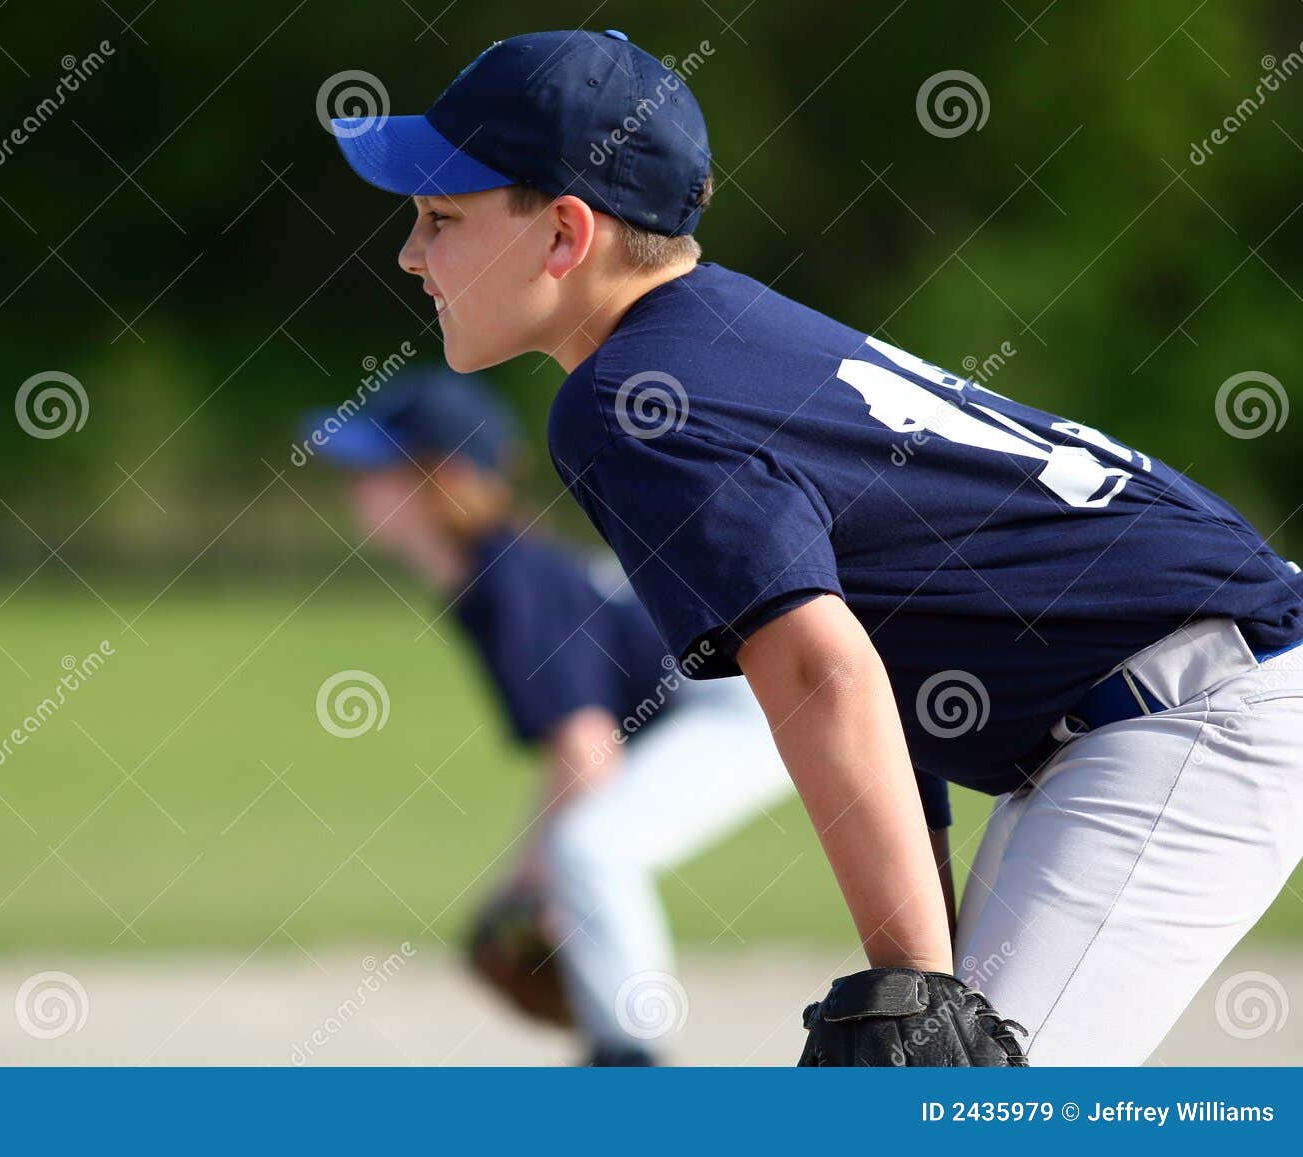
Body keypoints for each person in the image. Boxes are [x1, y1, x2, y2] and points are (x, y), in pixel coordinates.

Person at [328, 29, 1303, 1065]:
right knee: (934, 1083)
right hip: (1160, 703)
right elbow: (881, 670)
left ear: (565, 235)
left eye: (442, 218)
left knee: (960, 1112)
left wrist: (916, 987)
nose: (410, 253)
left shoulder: (628, 401)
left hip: (1191, 707)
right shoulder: (718, 337)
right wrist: (920, 977)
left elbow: (817, 667)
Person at [301, 370, 948, 1064]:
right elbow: (584, 748)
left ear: (442, 479)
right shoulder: (498, 570)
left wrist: (524, 881)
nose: (354, 483)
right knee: (583, 848)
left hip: (745, 706)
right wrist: (535, 876)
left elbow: (586, 749)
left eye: (379, 466)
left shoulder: (507, 578)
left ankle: (630, 1061)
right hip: (718, 702)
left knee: (590, 849)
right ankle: (621, 1052)